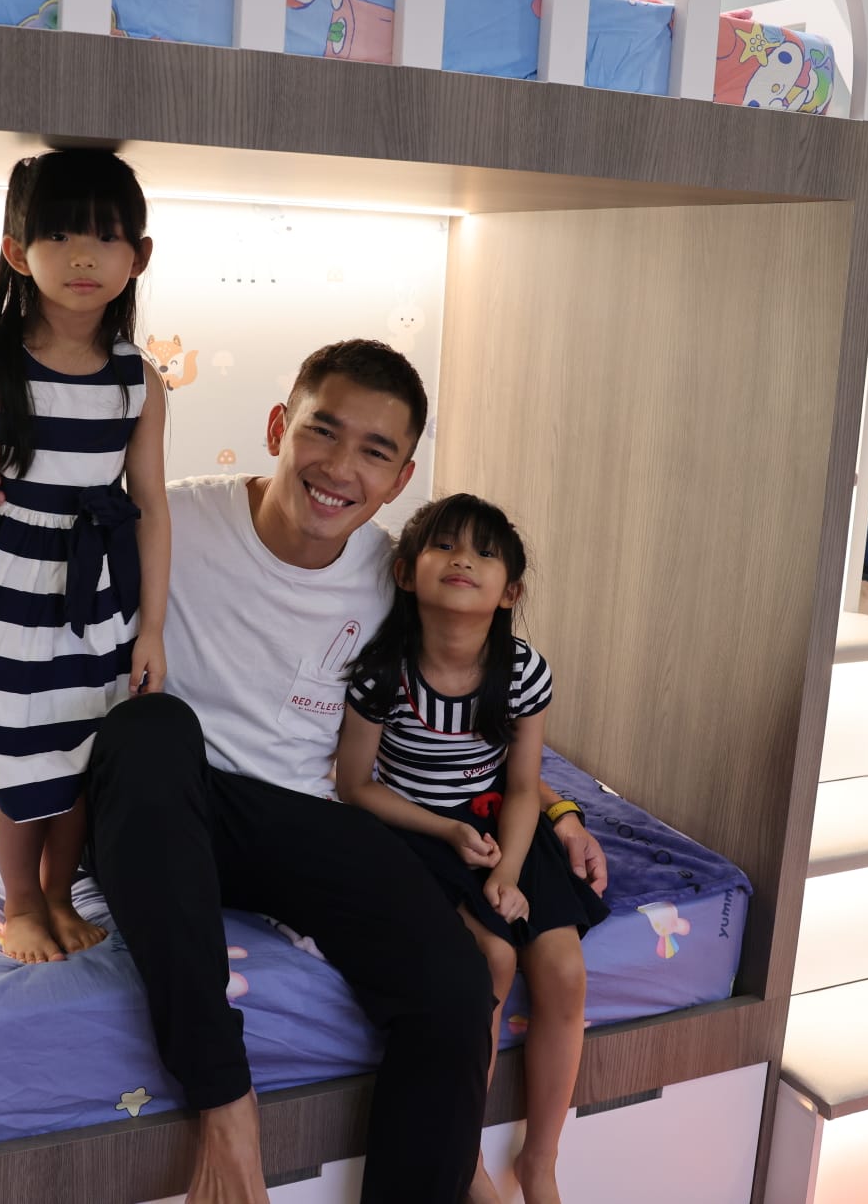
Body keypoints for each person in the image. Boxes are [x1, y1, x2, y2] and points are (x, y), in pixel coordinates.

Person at [0, 339, 609, 1203]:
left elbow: (473, 722)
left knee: (456, 989)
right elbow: (32, 567)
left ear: (400, 478)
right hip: (158, 812)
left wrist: (560, 809)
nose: (340, 469)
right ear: (279, 427)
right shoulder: (168, 520)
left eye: (375, 453)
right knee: (151, 725)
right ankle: (226, 1104)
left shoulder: (395, 578)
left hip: (301, 822)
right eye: (323, 431)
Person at [0, 148, 170, 966]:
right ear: (18, 252)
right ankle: (20, 901)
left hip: (98, 597)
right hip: (8, 591)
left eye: (106, 237)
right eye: (59, 236)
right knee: (19, 751)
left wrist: (152, 630)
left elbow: (152, 506)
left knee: (81, 750)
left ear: (138, 256)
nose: (83, 257)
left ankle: (59, 894)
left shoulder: (140, 380)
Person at [337, 494, 603, 1204]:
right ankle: (468, 1161)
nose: (463, 561)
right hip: (415, 829)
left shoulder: (523, 672)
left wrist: (510, 870)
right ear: (405, 572)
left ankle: (540, 1160)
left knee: (564, 969)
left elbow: (522, 787)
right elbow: (354, 786)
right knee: (491, 960)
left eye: (485, 553)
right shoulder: (382, 673)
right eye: (445, 546)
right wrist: (447, 831)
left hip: (502, 825)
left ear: (510, 591)